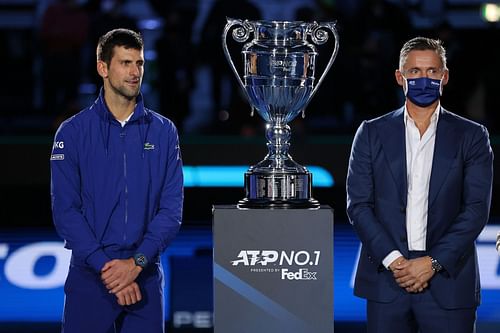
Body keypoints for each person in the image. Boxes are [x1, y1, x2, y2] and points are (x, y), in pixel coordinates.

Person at [346, 37, 493, 333]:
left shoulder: (472, 136)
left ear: (445, 77)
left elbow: (476, 209)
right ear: (400, 77)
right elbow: (359, 205)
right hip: (387, 281)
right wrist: (395, 261)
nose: (423, 79)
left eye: (432, 71)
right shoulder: (371, 133)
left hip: (449, 282)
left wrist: (432, 263)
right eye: (414, 72)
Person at [50, 28, 183, 333]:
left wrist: (135, 263)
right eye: (125, 63)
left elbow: (171, 210)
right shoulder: (72, 133)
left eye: (139, 63)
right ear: (103, 68)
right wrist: (107, 269)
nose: (135, 72)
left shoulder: (164, 132)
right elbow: (66, 211)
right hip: (90, 278)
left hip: (144, 278)